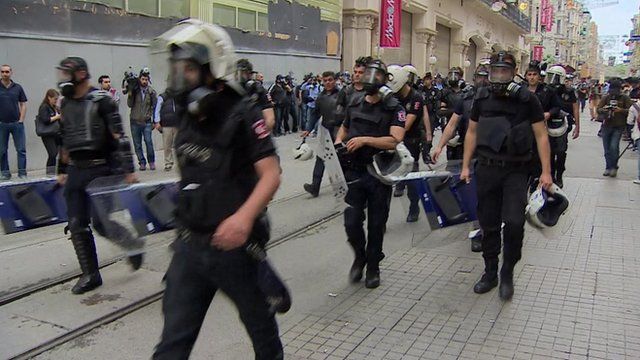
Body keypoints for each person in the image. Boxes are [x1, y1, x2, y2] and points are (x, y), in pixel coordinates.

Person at [151, 20, 284, 359]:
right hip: (189, 246)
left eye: (188, 69)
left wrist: (242, 219)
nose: (179, 77)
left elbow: (271, 174)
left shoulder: (242, 112)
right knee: (172, 343)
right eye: (175, 69)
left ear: (211, 69)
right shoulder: (187, 114)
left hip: (235, 249)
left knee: (262, 332)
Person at [460, 51, 553, 301]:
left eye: (504, 71)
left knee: (513, 223)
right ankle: (490, 272)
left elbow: (541, 135)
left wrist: (546, 172)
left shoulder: (527, 100)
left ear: (514, 73)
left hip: (516, 171)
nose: (499, 76)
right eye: (495, 71)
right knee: (488, 224)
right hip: (487, 169)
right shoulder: (481, 97)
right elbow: (471, 131)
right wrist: (466, 165)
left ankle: (507, 272)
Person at [55, 57, 143, 294]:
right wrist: (61, 170)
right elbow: (64, 138)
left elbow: (119, 136)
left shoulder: (102, 101)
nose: (63, 79)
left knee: (101, 224)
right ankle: (90, 274)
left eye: (67, 74)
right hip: (75, 169)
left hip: (101, 169)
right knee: (76, 223)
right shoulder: (64, 103)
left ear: (81, 74)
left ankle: (132, 244)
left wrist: (129, 170)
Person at [334, 59, 406, 289]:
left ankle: (373, 266)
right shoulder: (354, 102)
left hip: (378, 174)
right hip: (354, 171)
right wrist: (338, 143)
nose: (370, 79)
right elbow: (344, 127)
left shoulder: (394, 107)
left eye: (376, 75)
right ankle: (360, 256)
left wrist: (365, 140)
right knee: (351, 221)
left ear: (385, 79)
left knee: (376, 224)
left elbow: (395, 140)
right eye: (367, 74)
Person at [431, 64, 491, 252]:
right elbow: (452, 124)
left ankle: (491, 227)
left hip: (495, 154)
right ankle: (477, 231)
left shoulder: (501, 98)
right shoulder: (465, 98)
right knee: (472, 193)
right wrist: (439, 145)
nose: (482, 80)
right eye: (479, 76)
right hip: (470, 153)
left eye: (486, 76)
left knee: (492, 196)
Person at [386, 65, 425, 222]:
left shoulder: (415, 98)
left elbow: (406, 125)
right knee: (387, 179)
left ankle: (414, 207)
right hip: (391, 141)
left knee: (411, 178)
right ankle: (382, 217)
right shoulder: (391, 97)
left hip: (410, 142)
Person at [525, 62, 562, 190]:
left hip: (542, 129)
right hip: (524, 130)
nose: (532, 77)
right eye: (529, 74)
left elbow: (557, 107)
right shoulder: (520, 90)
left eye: (534, 74)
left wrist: (549, 114)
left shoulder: (548, 91)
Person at [302, 71, 340, 197]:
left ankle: (342, 186)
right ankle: (315, 186)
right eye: (325, 80)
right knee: (320, 158)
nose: (328, 83)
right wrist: (308, 128)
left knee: (340, 160)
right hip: (326, 130)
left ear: (335, 80)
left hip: (340, 131)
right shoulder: (321, 97)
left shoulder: (342, 95)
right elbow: (315, 114)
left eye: (330, 80)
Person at [597, 78, 632, 177]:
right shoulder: (606, 97)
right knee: (607, 148)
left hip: (619, 126)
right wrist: (604, 110)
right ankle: (608, 167)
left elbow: (631, 110)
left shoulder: (624, 98)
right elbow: (598, 109)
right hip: (606, 125)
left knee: (614, 147)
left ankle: (614, 167)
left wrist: (620, 110)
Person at [0, 64, 28, 180]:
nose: (5, 74)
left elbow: (23, 104)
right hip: (2, 124)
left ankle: (22, 173)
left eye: (7, 72)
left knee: (21, 149)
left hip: (17, 123)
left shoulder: (18, 87)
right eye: (3, 72)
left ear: (11, 73)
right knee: (2, 150)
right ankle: (5, 173)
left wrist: (21, 120)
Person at [127, 69, 158, 170]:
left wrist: (155, 121)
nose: (144, 81)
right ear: (139, 79)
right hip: (134, 121)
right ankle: (142, 162)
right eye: (143, 79)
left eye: (146, 79)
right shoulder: (135, 91)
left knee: (148, 141)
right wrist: (130, 93)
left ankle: (151, 161)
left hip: (147, 122)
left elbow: (155, 107)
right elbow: (129, 104)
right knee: (137, 144)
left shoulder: (151, 92)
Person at [236, 59, 276, 131]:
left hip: (255, 134)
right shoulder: (230, 92)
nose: (239, 77)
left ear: (250, 74)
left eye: (243, 73)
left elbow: (270, 119)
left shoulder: (259, 91)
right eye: (237, 74)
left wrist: (258, 135)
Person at [153, 88, 182, 171]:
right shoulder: (162, 96)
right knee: (167, 145)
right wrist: (157, 121)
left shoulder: (179, 95)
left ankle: (181, 163)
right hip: (166, 125)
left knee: (180, 145)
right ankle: (168, 163)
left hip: (178, 124)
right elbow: (157, 110)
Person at [36, 89, 62, 176]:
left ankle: (56, 172)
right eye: (55, 99)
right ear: (49, 98)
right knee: (52, 153)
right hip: (48, 134)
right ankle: (50, 173)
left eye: (57, 99)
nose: (56, 101)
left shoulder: (55, 107)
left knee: (60, 153)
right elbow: (46, 120)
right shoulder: (44, 107)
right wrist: (57, 117)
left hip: (56, 133)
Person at [421, 72, 440, 163]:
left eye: (428, 79)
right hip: (423, 115)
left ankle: (427, 153)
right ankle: (424, 152)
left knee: (430, 135)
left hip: (432, 115)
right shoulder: (421, 90)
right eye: (425, 79)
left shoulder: (435, 91)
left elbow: (437, 103)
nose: (426, 81)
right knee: (423, 134)